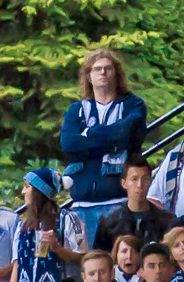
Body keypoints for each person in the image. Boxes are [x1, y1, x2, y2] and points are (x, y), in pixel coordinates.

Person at [62, 49, 149, 246]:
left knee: (120, 266)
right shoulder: (77, 110)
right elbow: (69, 145)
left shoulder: (133, 105)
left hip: (119, 203)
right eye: (97, 69)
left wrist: (89, 135)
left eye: (108, 68)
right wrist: (111, 138)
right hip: (81, 207)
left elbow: (125, 134)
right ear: (89, 76)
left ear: (117, 73)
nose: (103, 73)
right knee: (87, 269)